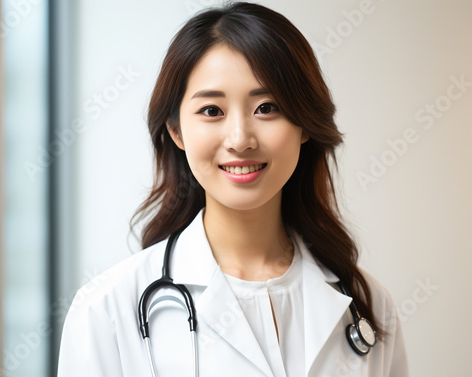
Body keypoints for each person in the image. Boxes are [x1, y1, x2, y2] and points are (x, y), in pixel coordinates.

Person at [57, 2, 409, 376]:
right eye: (212, 110)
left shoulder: (367, 304)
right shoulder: (106, 310)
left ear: (305, 124)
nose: (240, 139)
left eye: (267, 107)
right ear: (177, 131)